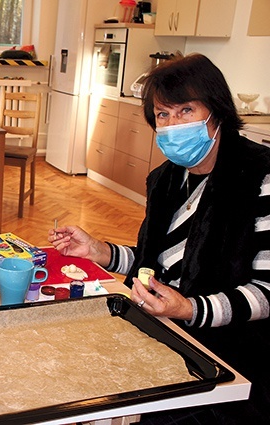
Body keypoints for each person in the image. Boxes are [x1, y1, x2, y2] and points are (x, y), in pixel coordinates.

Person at [48, 54, 270, 423]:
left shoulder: (260, 177)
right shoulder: (167, 179)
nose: (172, 125)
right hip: (166, 330)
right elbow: (159, 264)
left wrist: (189, 309)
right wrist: (100, 252)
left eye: (185, 110)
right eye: (163, 115)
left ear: (217, 111)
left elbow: (267, 292)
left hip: (233, 356)